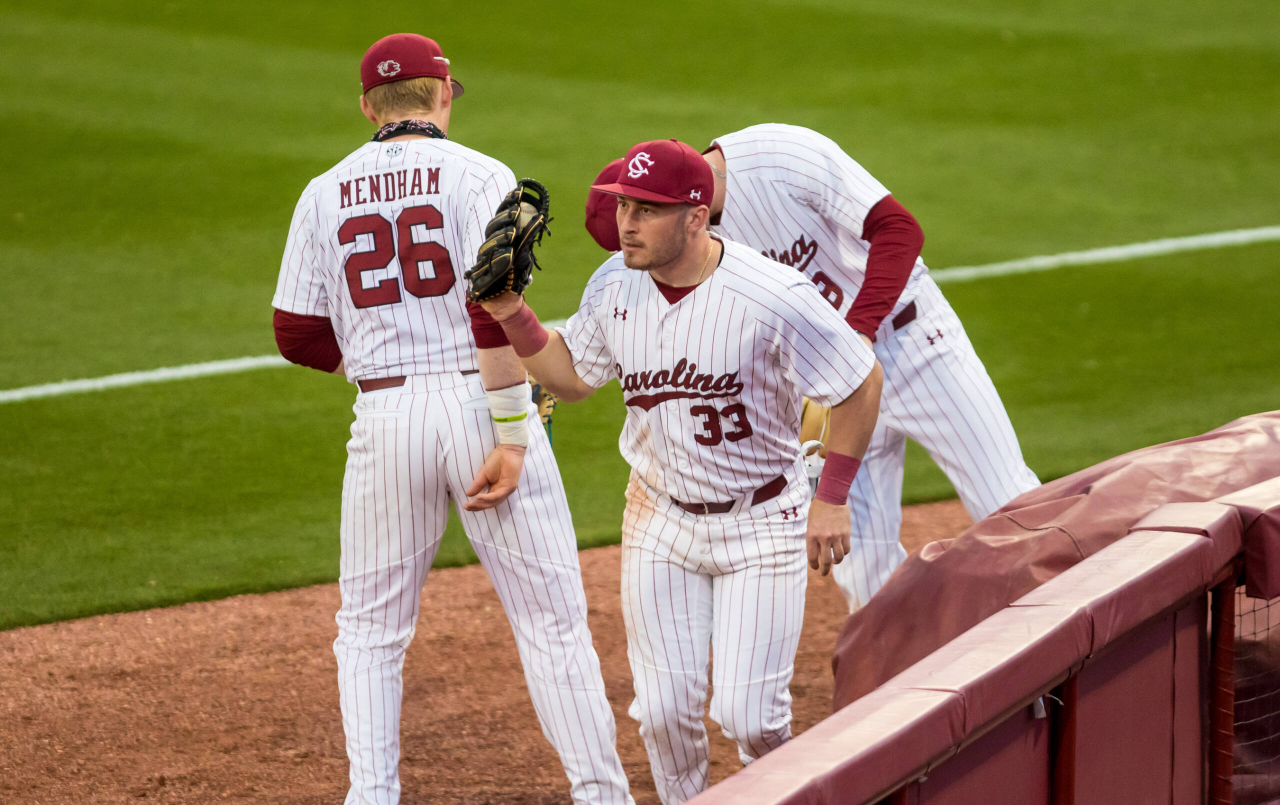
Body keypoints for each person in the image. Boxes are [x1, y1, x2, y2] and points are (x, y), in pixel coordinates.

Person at [271, 33, 632, 805]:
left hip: (383, 415)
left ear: (368, 107)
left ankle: (370, 796)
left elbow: (295, 333)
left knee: (369, 629)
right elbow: (486, 309)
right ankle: (602, 796)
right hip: (480, 399)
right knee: (551, 622)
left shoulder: (322, 190)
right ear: (442, 95)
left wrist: (374, 368)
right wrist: (509, 427)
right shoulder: (478, 173)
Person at [473, 138, 883, 804]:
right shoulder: (614, 284)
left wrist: (831, 496)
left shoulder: (771, 293)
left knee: (752, 719)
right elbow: (573, 377)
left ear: (696, 217)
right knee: (663, 715)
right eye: (624, 205)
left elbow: (860, 383)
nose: (625, 223)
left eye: (647, 210)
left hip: (761, 521)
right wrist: (509, 313)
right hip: (659, 519)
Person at [583, 124, 1041, 612]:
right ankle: (925, 682)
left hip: (915, 346)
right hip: (828, 394)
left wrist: (858, 334)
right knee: (862, 574)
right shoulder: (693, 254)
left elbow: (899, 229)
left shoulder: (781, 156)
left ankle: (1074, 665)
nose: (637, 235)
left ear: (680, 208)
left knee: (1010, 507)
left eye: (645, 214)